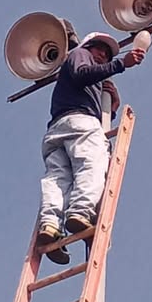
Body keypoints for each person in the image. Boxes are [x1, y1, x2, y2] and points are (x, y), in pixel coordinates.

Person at [37, 31, 145, 264]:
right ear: (88, 46)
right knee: (92, 166)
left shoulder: (87, 77)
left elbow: (84, 81)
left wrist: (110, 109)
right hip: (79, 122)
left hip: (58, 130)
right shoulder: (79, 55)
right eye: (100, 49)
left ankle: (50, 225)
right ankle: (81, 211)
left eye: (107, 55)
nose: (103, 56)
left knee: (58, 179)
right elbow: (81, 74)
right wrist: (120, 64)